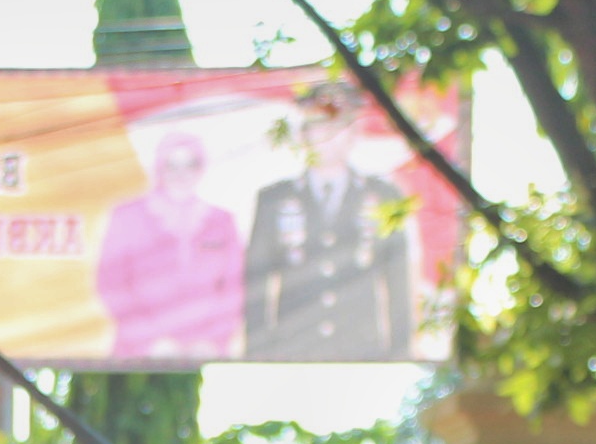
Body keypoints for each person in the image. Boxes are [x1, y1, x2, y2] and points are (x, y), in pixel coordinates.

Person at [241, 79, 413, 359]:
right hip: (292, 353)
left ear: (355, 134)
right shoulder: (274, 200)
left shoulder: (383, 197)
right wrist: (257, 356)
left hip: (363, 354)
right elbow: (257, 287)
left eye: (338, 127)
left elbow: (398, 284)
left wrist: (400, 355)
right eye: (320, 126)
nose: (328, 137)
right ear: (304, 135)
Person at [96, 128, 245, 359]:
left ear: (201, 168)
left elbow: (234, 288)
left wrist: (213, 341)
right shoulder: (128, 216)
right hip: (139, 354)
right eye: (172, 165)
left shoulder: (221, 221)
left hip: (205, 352)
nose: (181, 174)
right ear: (159, 167)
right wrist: (149, 342)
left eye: (189, 164)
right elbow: (111, 284)